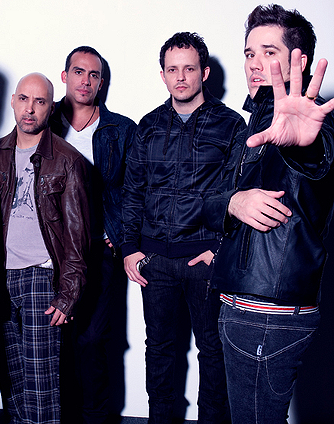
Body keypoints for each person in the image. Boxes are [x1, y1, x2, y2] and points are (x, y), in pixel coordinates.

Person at [201, 5, 334, 424]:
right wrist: (233, 203)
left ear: (299, 62)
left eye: (269, 52)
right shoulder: (255, 123)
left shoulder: (308, 122)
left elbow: (318, 161)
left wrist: (306, 145)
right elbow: (210, 202)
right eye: (249, 53)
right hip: (245, 304)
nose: (255, 64)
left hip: (266, 314)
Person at [122, 32, 246, 424]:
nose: (180, 77)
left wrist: (220, 248)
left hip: (204, 259)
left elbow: (238, 191)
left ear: (204, 73)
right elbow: (133, 190)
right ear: (162, 75)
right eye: (172, 69)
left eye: (189, 68)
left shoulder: (231, 125)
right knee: (159, 348)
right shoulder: (148, 125)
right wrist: (129, 248)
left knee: (213, 349)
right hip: (155, 260)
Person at [0, 73, 90, 424]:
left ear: (51, 108)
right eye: (24, 99)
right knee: (11, 381)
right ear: (13, 102)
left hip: (41, 279)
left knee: (42, 385)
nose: (30, 109)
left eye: (40, 101)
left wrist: (68, 293)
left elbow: (77, 235)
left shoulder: (68, 160)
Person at [49, 46, 137, 424]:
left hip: (99, 250)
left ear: (101, 83)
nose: (86, 81)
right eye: (78, 72)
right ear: (65, 76)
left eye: (94, 75)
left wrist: (122, 233)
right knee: (55, 339)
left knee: (93, 340)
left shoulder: (121, 130)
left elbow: (136, 189)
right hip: (51, 251)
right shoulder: (44, 120)